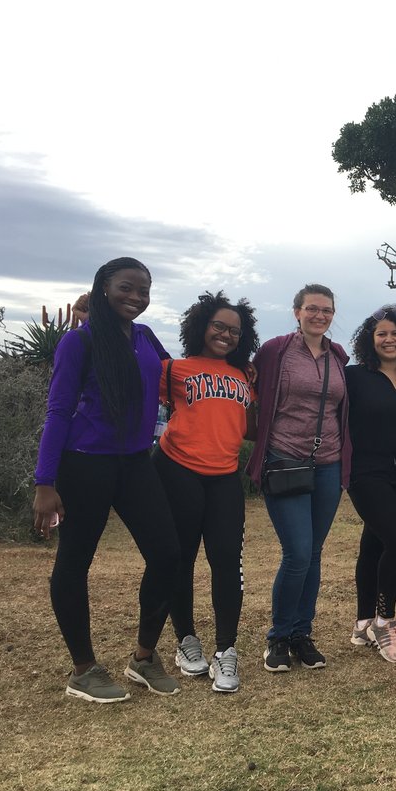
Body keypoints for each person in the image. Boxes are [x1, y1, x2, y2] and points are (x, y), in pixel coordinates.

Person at [33, 257, 181, 703]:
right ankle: (83, 669)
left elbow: (173, 379)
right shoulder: (79, 342)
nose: (135, 297)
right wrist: (45, 482)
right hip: (85, 465)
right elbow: (58, 410)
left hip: (136, 463)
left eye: (143, 290)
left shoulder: (145, 337)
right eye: (126, 287)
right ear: (103, 288)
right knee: (75, 562)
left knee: (168, 554)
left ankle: (143, 658)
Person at [153, 292, 258, 693]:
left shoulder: (243, 375)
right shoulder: (172, 370)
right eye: (219, 326)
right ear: (200, 325)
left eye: (235, 330)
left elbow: (248, 428)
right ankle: (186, 640)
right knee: (182, 558)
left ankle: (226, 651)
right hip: (177, 470)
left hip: (224, 477)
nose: (226, 334)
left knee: (227, 561)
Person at [246, 284, 351, 673]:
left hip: (328, 462)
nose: (319, 315)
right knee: (298, 553)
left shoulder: (337, 356)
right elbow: (249, 383)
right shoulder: (276, 350)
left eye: (326, 310)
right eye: (312, 309)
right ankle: (278, 636)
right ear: (297, 312)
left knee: (315, 554)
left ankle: (302, 634)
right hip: (285, 459)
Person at [345, 305, 396, 663]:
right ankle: (385, 620)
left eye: (395, 333)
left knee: (374, 544)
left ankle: (363, 622)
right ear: (370, 339)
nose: (389, 339)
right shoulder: (353, 377)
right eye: (381, 334)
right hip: (365, 472)